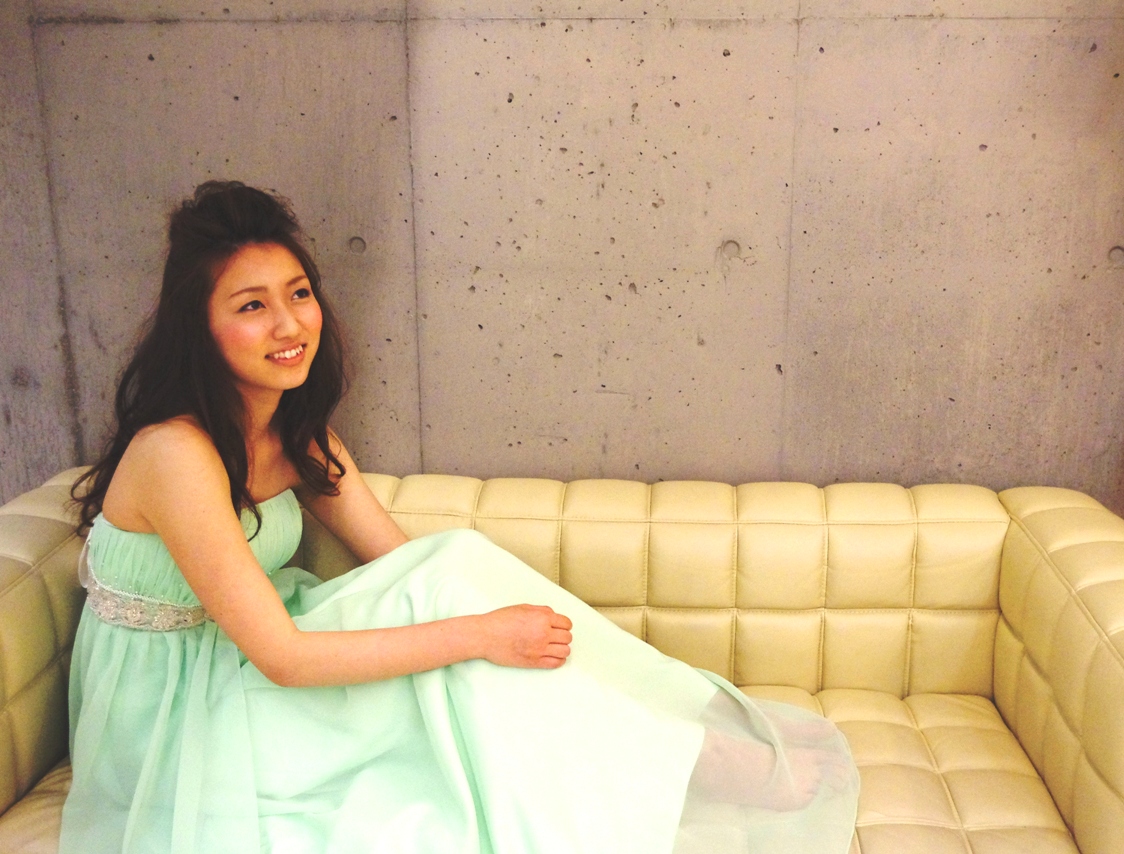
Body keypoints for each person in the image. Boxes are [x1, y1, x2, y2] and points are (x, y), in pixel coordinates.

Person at [60, 181, 859, 854]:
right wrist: (480, 636)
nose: (289, 324)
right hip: (180, 718)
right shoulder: (176, 454)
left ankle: (674, 741)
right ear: (199, 328)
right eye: (251, 306)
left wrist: (487, 635)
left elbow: (410, 563)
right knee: (466, 621)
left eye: (299, 294)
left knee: (453, 568)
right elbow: (285, 659)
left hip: (252, 659)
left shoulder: (298, 437)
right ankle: (691, 757)